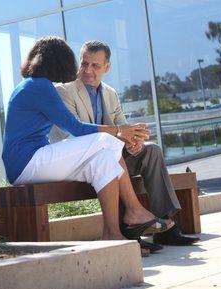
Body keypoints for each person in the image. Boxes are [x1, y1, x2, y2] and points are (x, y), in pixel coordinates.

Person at [2, 36, 174, 243]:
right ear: (60, 61)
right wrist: (119, 130)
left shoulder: (35, 85)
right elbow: (76, 129)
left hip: (31, 162)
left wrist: (123, 133)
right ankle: (134, 209)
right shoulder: (39, 87)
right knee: (106, 141)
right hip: (26, 162)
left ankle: (112, 234)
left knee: (103, 161)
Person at [49, 40, 200, 247]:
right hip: (79, 162)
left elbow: (122, 128)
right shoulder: (64, 91)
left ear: (107, 67)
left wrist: (133, 142)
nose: (88, 70)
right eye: (84, 64)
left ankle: (166, 227)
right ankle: (132, 233)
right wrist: (120, 137)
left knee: (151, 151)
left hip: (109, 154)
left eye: (95, 65)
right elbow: (73, 136)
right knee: (111, 157)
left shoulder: (110, 94)